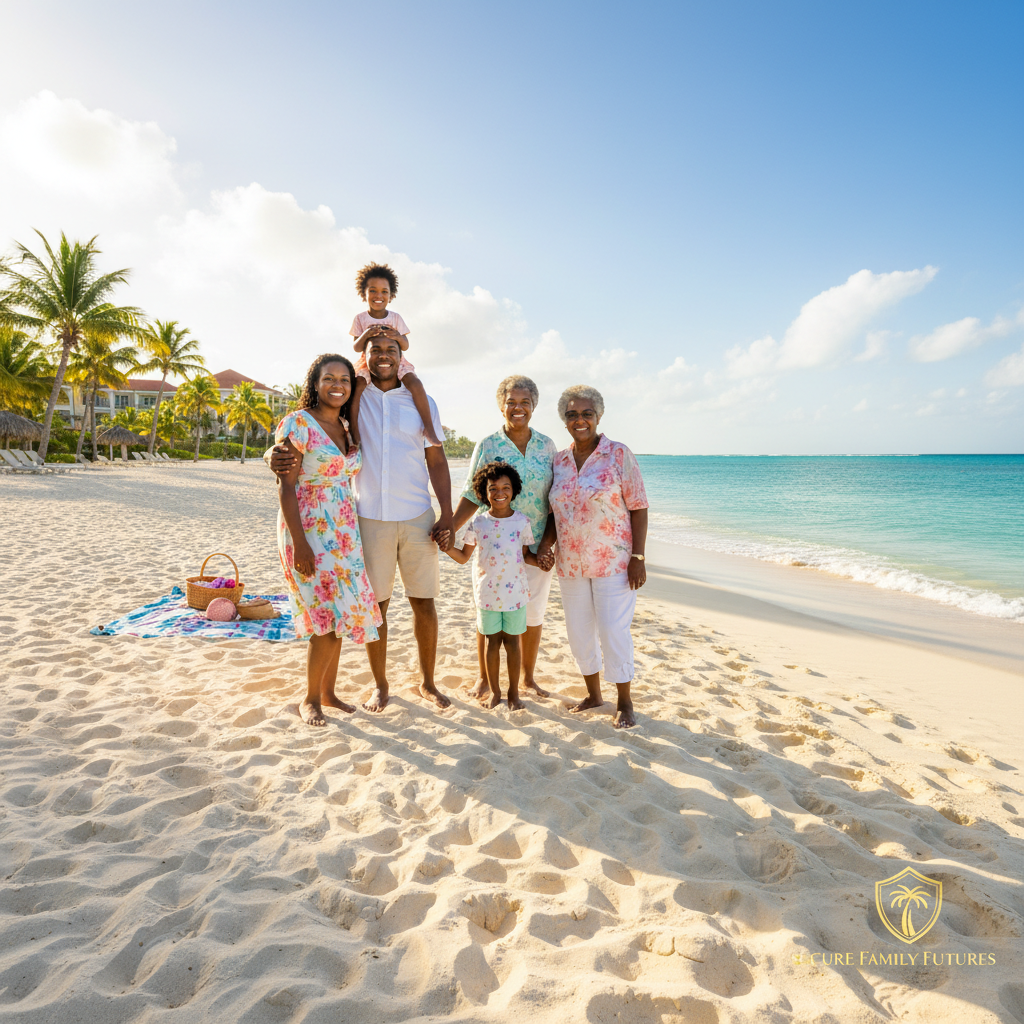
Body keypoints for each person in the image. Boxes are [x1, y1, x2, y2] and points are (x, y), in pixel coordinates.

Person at [270, 333, 454, 713]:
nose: (384, 356)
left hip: (390, 520)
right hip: (357, 520)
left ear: (403, 358)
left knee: (413, 604)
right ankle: (373, 687)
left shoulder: (411, 405)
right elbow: (293, 464)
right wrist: (274, 454)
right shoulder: (349, 404)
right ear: (364, 359)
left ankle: (420, 684)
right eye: (376, 351)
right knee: (369, 608)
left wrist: (448, 513)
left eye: (392, 351)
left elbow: (436, 459)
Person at [274, 354, 382, 727]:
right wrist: (300, 544)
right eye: (329, 378)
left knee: (340, 613)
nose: (338, 385)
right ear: (314, 383)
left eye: (345, 380)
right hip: (308, 527)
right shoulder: (298, 423)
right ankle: (309, 699)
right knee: (325, 614)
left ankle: (328, 692)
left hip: (344, 531)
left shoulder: (346, 427)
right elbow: (286, 488)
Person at [549, 384, 649, 728]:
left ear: (598, 416)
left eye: (586, 413)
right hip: (570, 563)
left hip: (613, 563)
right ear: (565, 420)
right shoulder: (559, 461)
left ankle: (625, 700)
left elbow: (638, 506)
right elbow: (553, 513)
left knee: (612, 630)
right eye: (572, 414)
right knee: (578, 631)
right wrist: (544, 546)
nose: (580, 420)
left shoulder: (618, 454)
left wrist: (638, 556)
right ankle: (593, 695)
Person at [452, 375, 557, 700]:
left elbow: (555, 499)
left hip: (534, 545)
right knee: (488, 614)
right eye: (511, 402)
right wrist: (450, 526)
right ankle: (484, 680)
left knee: (533, 614)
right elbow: (472, 492)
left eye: (525, 402)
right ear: (501, 406)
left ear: (534, 406)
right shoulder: (488, 445)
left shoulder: (547, 445)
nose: (518, 408)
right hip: (492, 547)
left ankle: (527, 678)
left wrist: (546, 545)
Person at [446, 461, 541, 710]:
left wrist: (542, 559)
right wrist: (445, 547)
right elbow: (464, 556)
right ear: (483, 492)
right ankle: (495, 692)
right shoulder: (479, 523)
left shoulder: (521, 521)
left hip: (515, 594)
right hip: (487, 594)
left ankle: (513, 694)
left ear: (514, 490)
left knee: (512, 644)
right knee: (491, 643)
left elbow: (526, 555)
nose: (500, 493)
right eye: (493, 488)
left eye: (505, 487)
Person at [346, 262, 443, 449]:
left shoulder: (395, 318)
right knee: (357, 387)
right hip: (368, 362)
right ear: (363, 293)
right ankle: (354, 431)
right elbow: (357, 347)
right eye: (373, 291)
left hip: (396, 361)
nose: (378, 296)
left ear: (391, 296)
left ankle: (429, 427)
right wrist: (366, 334)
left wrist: (397, 336)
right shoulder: (360, 318)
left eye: (384, 292)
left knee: (415, 383)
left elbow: (405, 345)